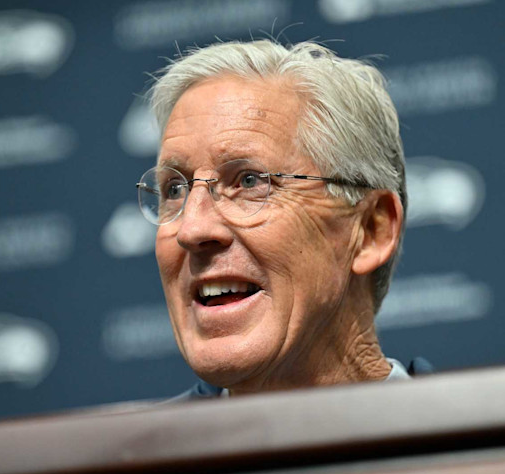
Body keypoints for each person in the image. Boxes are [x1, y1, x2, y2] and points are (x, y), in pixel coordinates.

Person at [136, 40, 428, 399]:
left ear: (369, 231)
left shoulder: (487, 445)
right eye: (175, 190)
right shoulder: (122, 454)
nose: (192, 229)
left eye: (248, 181)